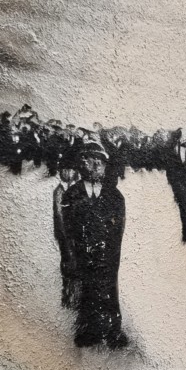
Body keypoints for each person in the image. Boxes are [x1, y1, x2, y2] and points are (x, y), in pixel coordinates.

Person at [65, 144, 129, 348]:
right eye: (90, 162)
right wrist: (74, 252)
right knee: (87, 289)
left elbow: (119, 227)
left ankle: (113, 331)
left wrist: (111, 250)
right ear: (82, 165)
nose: (95, 167)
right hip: (82, 251)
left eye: (100, 163)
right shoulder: (72, 194)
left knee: (109, 288)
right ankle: (88, 331)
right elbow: (68, 227)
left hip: (108, 252)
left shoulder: (115, 196)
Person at [52, 149, 83, 309]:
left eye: (71, 170)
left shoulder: (78, 189)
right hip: (65, 235)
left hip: (79, 235)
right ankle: (69, 297)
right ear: (61, 172)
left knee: (80, 264)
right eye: (65, 170)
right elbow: (59, 216)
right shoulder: (59, 191)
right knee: (68, 264)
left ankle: (77, 296)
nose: (68, 173)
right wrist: (65, 235)